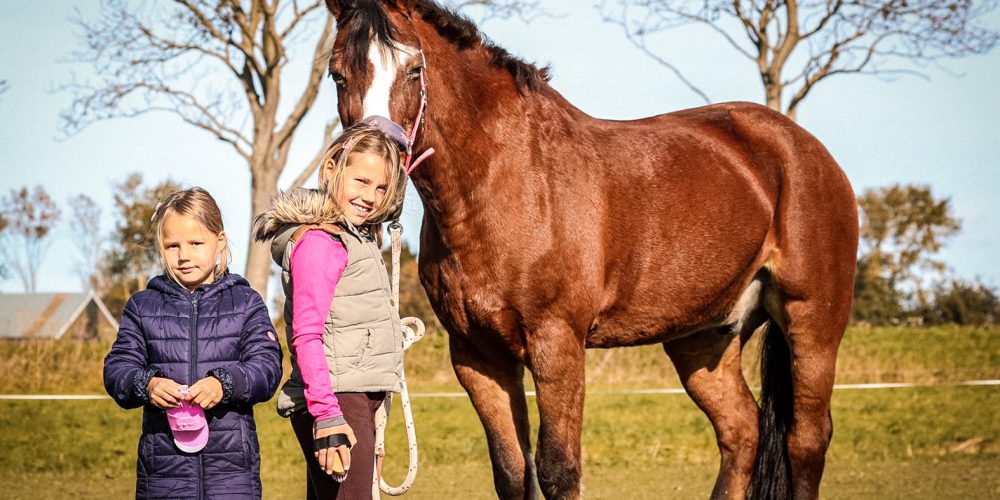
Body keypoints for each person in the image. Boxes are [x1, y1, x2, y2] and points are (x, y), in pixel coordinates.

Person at [253, 121, 407, 499]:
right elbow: (307, 335)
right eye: (361, 181)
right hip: (337, 397)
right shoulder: (320, 243)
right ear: (331, 171)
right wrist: (327, 415)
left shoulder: (353, 237)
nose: (370, 196)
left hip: (351, 393)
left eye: (381, 187)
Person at [104, 187, 283, 499]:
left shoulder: (246, 303)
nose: (183, 255)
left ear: (220, 242)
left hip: (232, 478)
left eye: (196, 243)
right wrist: (147, 384)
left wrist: (224, 384)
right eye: (172, 246)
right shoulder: (141, 307)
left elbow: (267, 367)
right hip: (162, 478)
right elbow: (118, 369)